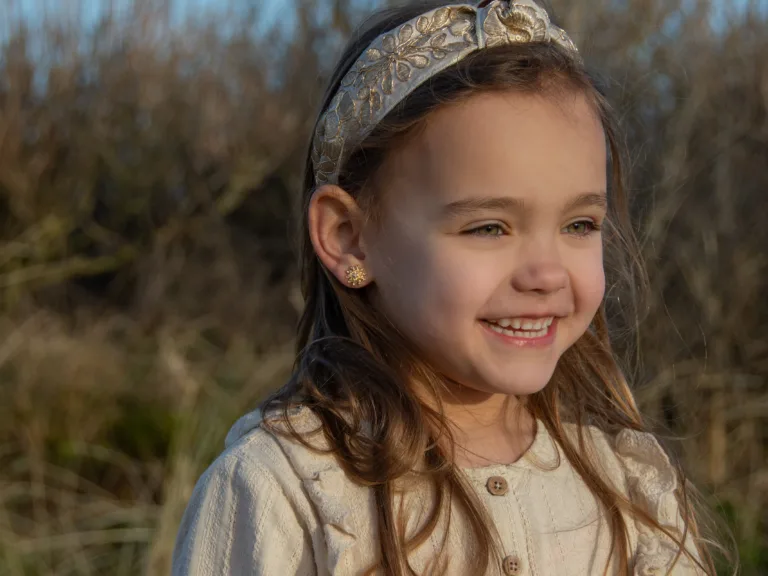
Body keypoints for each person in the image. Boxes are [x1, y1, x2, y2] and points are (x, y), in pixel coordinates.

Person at [172, 1, 725, 574]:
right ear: (348, 237)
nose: (547, 274)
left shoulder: (630, 492)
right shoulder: (284, 489)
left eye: (578, 225)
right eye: (488, 227)